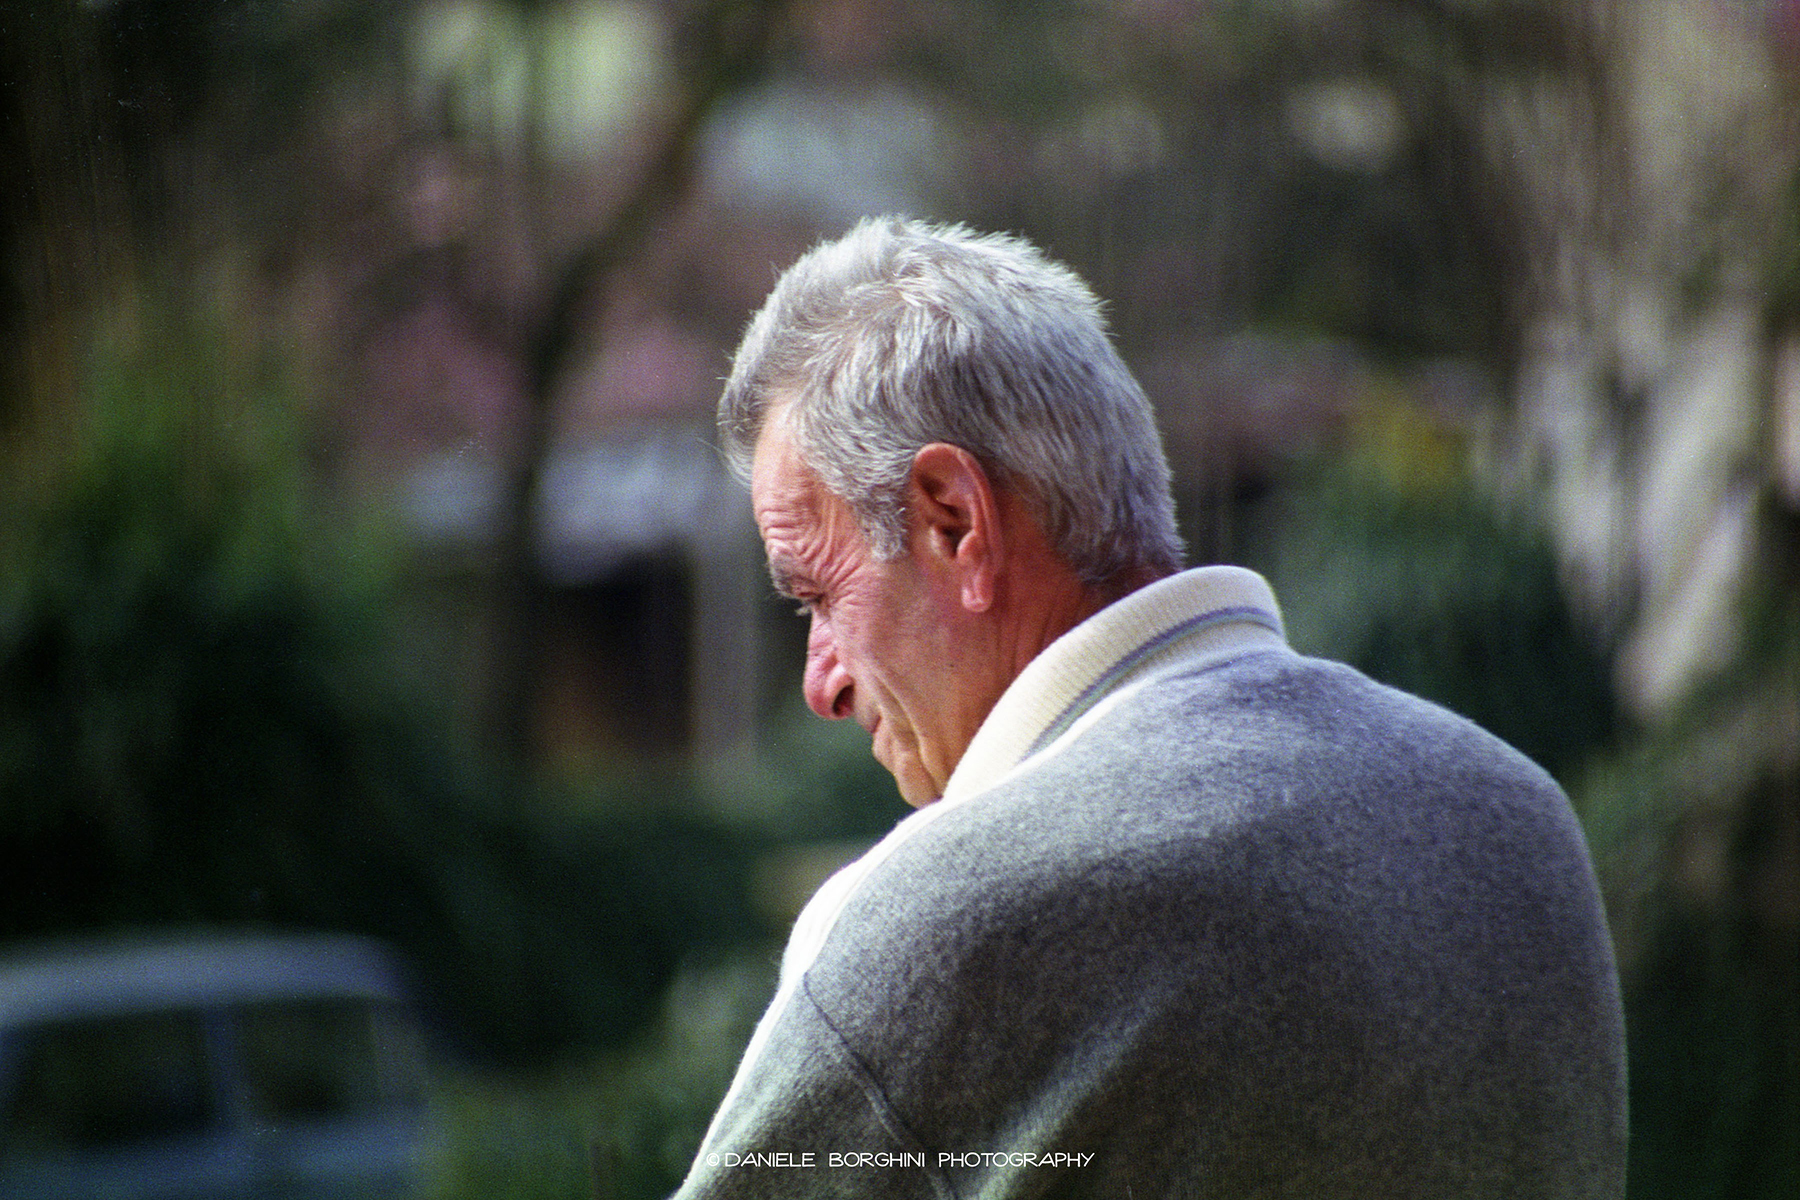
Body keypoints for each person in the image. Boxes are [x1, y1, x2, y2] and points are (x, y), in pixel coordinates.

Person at [675, 215, 1628, 1198]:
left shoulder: (940, 922)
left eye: (816, 593)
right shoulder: (1519, 822)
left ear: (954, 524)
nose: (821, 682)